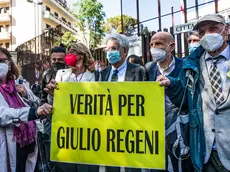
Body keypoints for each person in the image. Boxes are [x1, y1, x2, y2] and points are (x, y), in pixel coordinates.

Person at [157, 14, 230, 171]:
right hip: (207, 151)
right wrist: (172, 85)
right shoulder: (192, 65)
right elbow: (184, 99)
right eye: (202, 32)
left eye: (213, 29)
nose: (207, 35)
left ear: (226, 30)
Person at [43, 42, 100, 172]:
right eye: (68, 53)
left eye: (72, 52)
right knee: (65, 166)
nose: (69, 56)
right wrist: (52, 95)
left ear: (82, 55)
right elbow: (55, 102)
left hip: (87, 129)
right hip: (66, 129)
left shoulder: (95, 75)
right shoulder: (62, 74)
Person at [0, 47, 52, 172]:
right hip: (9, 143)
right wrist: (33, 112)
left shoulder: (19, 82)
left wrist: (26, 94)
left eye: (2, 61)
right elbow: (3, 114)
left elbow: (36, 102)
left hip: (29, 142)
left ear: (10, 63)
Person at [147, 32, 193, 172]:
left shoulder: (185, 66)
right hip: (157, 130)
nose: (154, 48)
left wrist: (171, 84)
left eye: (159, 44)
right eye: (152, 45)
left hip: (181, 130)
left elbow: (188, 98)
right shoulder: (149, 68)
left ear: (171, 46)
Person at [101, 33, 146, 172]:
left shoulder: (139, 71)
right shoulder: (102, 73)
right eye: (107, 49)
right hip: (109, 129)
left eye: (113, 48)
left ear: (124, 51)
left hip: (131, 130)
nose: (109, 52)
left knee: (132, 167)